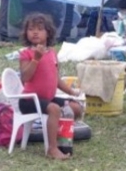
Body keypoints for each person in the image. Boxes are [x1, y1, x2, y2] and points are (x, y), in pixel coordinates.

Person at [18, 12, 82, 160]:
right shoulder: (26, 54)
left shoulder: (52, 52)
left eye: (40, 29)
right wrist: (36, 59)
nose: (35, 32)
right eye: (31, 29)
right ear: (26, 33)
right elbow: (25, 77)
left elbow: (55, 78)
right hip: (29, 100)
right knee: (54, 109)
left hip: (48, 98)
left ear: (48, 33)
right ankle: (51, 149)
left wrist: (71, 91)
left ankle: (61, 139)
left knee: (75, 108)